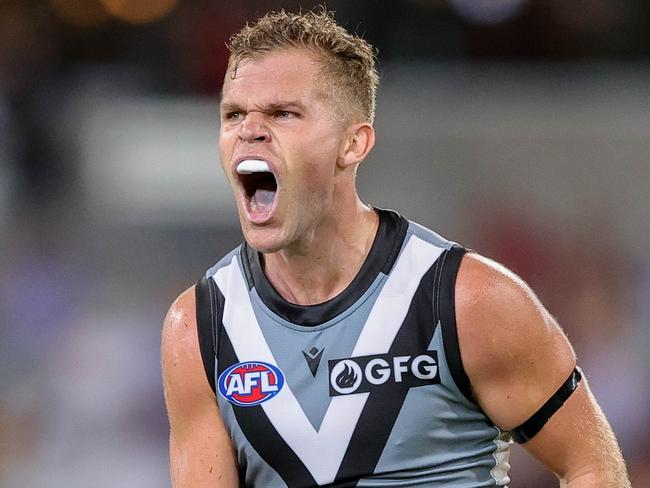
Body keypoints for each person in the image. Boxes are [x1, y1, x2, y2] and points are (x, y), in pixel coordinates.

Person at [161, 8, 630, 488]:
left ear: (353, 144)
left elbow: (591, 465)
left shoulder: (467, 301)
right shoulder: (198, 328)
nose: (250, 131)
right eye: (234, 114)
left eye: (284, 113)